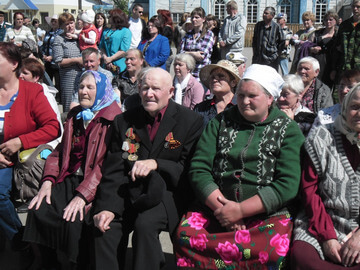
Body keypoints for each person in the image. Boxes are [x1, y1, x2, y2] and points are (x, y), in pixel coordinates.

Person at [174, 64, 304, 268]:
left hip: (265, 216)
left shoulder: (288, 130)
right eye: (241, 95)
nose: (244, 101)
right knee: (186, 237)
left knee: (270, 251)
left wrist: (241, 210)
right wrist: (224, 210)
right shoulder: (221, 122)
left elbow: (288, 183)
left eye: (252, 96)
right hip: (215, 209)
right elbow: (199, 168)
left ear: (270, 98)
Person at [92, 67, 203, 270]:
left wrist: (157, 164)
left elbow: (188, 168)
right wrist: (107, 207)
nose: (149, 94)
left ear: (170, 92)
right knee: (106, 225)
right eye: (144, 88)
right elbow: (114, 169)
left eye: (155, 89)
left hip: (167, 192)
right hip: (130, 187)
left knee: (145, 225)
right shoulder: (124, 121)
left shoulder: (190, 121)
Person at [23, 70, 121, 269]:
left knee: (74, 219)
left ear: (102, 90)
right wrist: (48, 181)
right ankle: (45, 261)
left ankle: (74, 264)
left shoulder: (114, 120)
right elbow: (59, 152)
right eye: (81, 86)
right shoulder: (75, 115)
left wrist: (83, 195)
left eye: (90, 87)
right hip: (68, 176)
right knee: (37, 209)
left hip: (94, 183)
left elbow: (107, 165)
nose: (83, 91)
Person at [291, 83, 360, 269]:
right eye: (355, 107)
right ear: (344, 107)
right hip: (321, 220)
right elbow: (309, 192)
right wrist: (328, 237)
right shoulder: (322, 137)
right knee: (302, 258)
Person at [0, 42, 59, 244]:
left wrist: (21, 141)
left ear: (14, 64)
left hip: (24, 157)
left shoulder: (32, 91)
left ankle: (20, 240)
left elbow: (53, 127)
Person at [19, 58, 63, 149]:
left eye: (25, 73)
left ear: (36, 77)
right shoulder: (20, 92)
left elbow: (55, 127)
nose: (20, 76)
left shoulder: (45, 95)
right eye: (19, 72)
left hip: (42, 146)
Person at [194, 60, 240, 126]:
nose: (214, 80)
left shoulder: (241, 107)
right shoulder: (201, 109)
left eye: (221, 76)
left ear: (233, 83)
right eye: (212, 77)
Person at [53, 12, 82, 112]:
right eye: (67, 24)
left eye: (71, 23)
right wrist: (77, 60)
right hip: (69, 78)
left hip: (83, 76)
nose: (70, 26)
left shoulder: (80, 37)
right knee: (70, 108)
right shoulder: (59, 39)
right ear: (61, 26)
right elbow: (59, 61)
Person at [180, 7, 215, 79]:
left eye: (197, 17)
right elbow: (180, 53)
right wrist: (194, 53)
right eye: (192, 17)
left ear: (203, 19)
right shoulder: (188, 34)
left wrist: (186, 53)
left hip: (201, 74)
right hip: (187, 73)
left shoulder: (208, 34)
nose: (193, 19)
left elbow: (202, 56)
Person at [331, 0, 360, 83]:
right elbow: (336, 48)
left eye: (358, 7)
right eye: (353, 6)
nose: (355, 9)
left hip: (358, 69)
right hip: (343, 68)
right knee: (340, 93)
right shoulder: (344, 25)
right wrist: (333, 69)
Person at [309, 10, 339, 88]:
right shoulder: (316, 33)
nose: (328, 22)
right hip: (318, 62)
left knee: (328, 87)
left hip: (332, 64)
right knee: (315, 85)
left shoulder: (338, 34)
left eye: (331, 19)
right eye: (326, 20)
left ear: (335, 21)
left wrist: (335, 69)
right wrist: (312, 49)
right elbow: (307, 46)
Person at [100, 8, 131, 74]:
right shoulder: (106, 31)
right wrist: (106, 58)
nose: (108, 18)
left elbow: (123, 50)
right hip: (105, 65)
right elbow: (101, 47)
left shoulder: (125, 31)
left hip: (119, 66)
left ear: (116, 18)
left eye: (110, 17)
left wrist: (110, 59)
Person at [42, 14, 63, 91]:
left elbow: (60, 47)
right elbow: (44, 45)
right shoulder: (48, 32)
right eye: (52, 21)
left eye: (55, 21)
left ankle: (59, 98)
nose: (54, 23)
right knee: (48, 81)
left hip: (56, 61)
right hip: (47, 60)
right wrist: (44, 55)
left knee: (58, 81)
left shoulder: (61, 33)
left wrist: (53, 56)